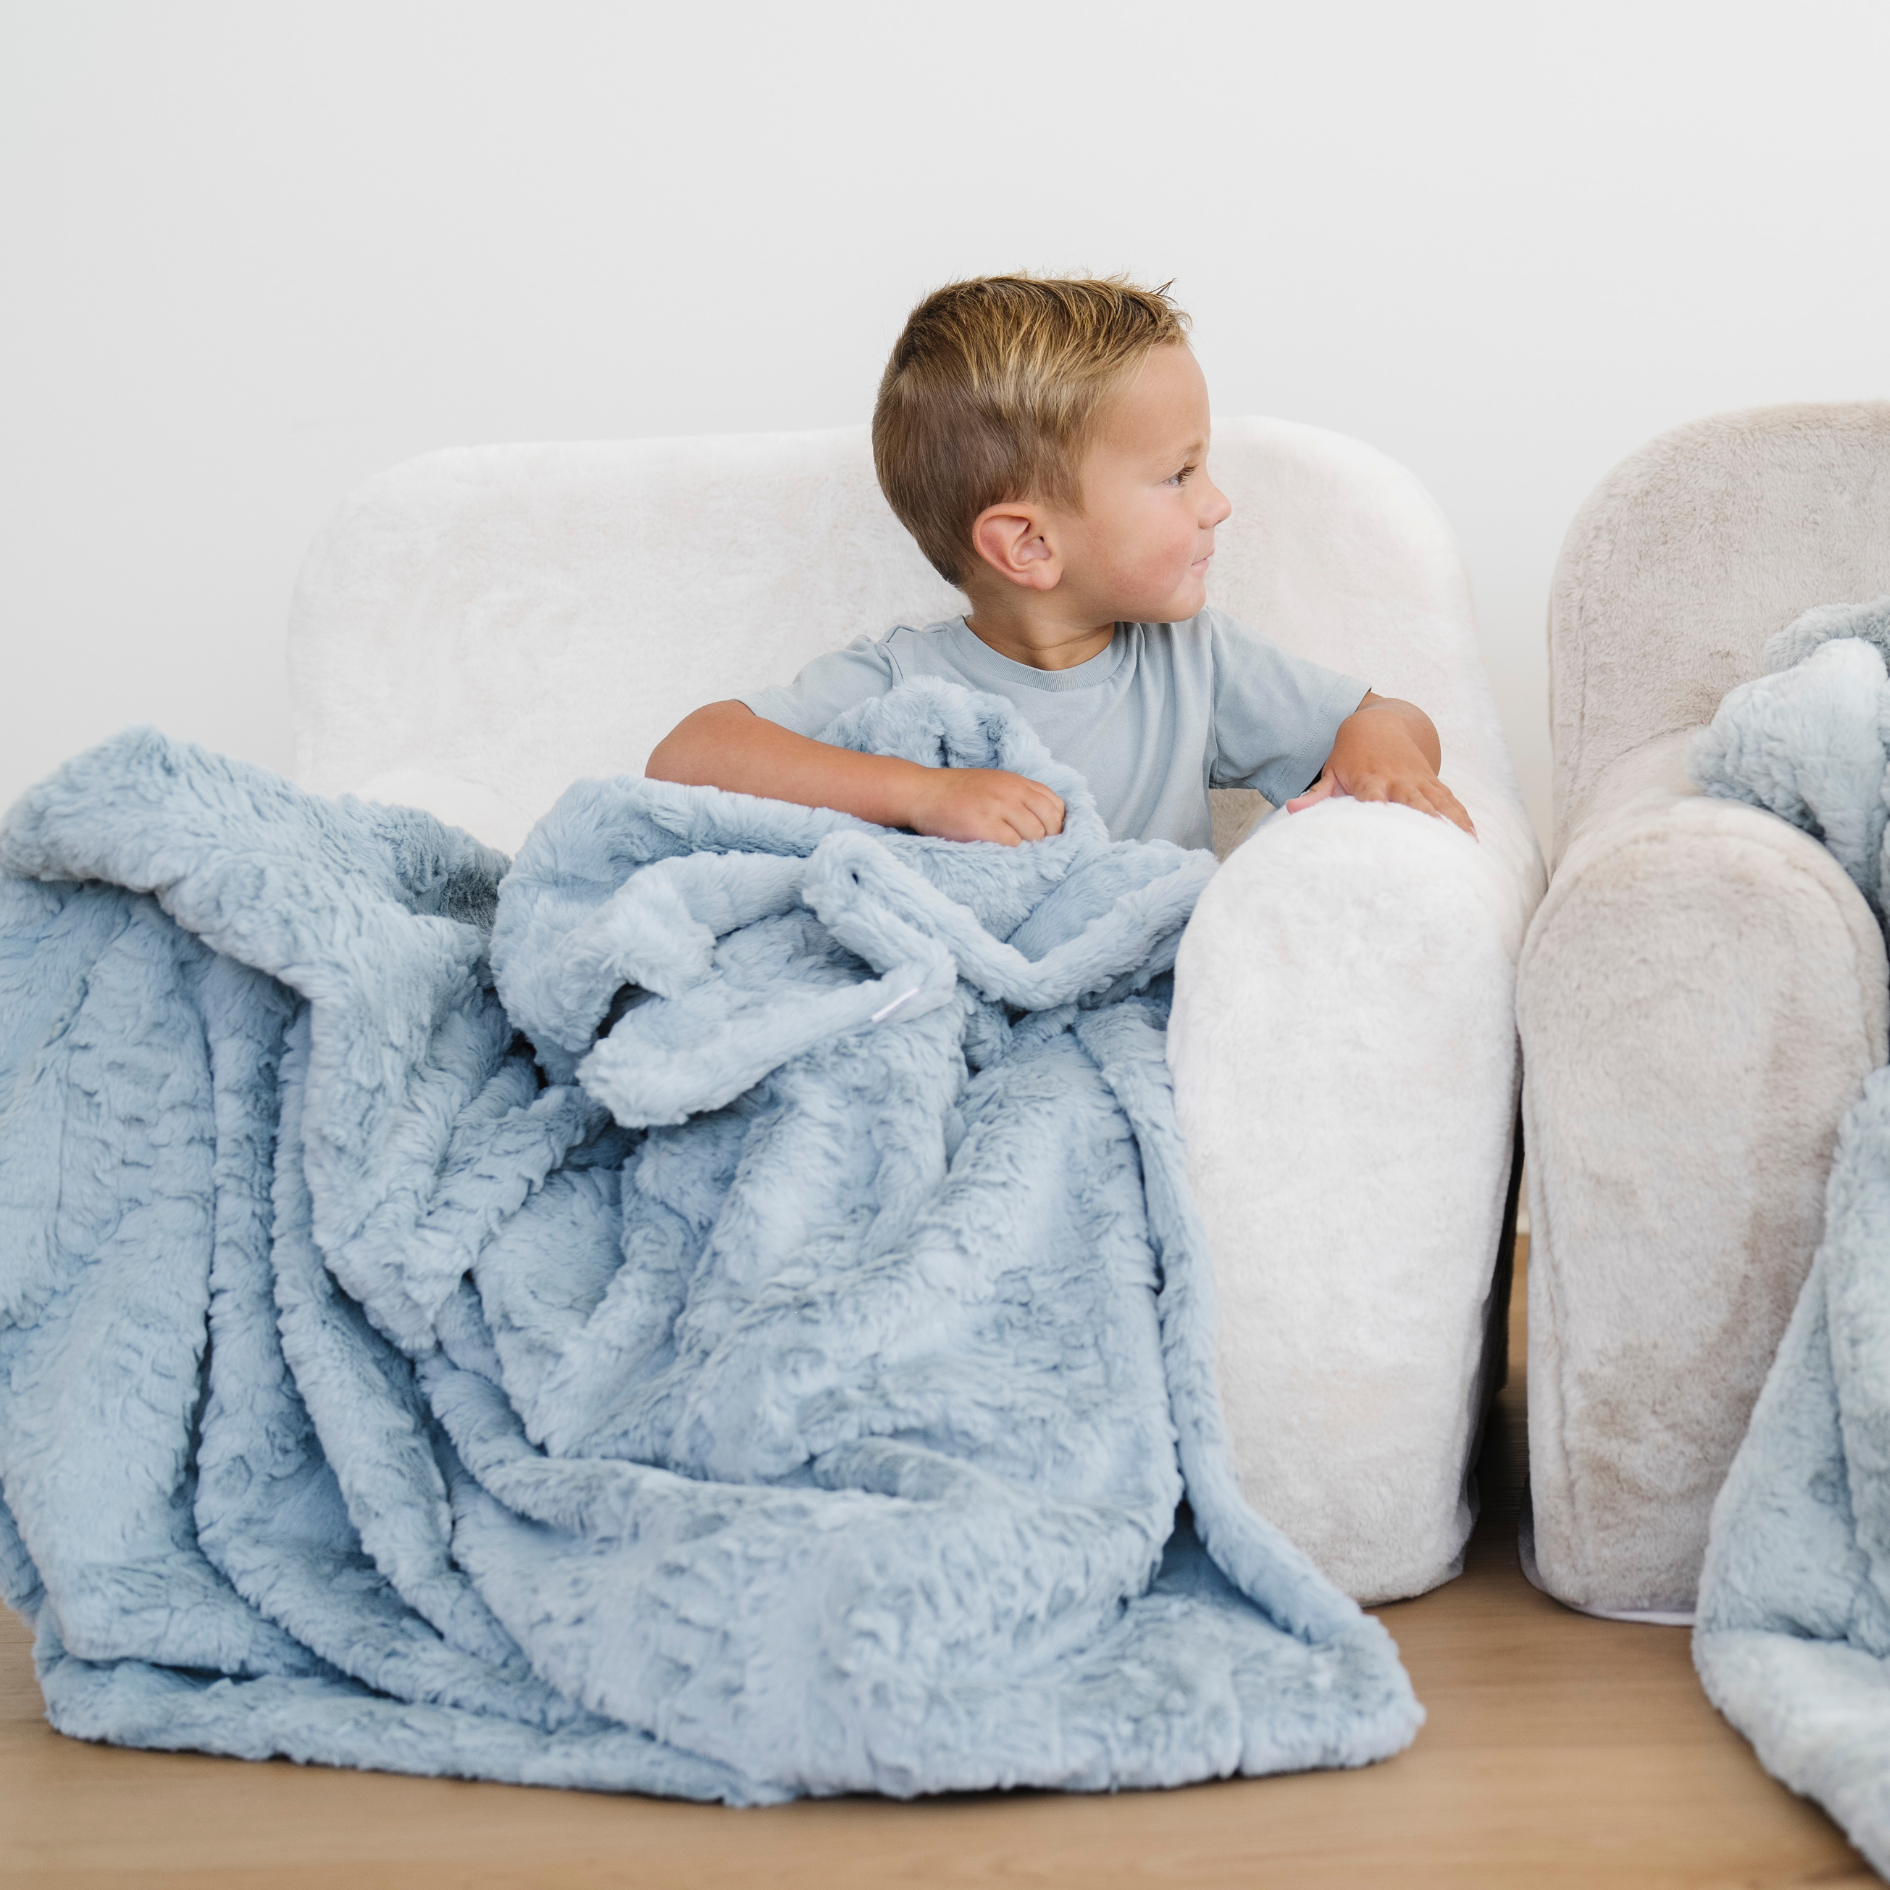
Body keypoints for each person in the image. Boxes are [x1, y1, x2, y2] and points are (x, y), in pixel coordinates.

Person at [645, 274, 1473, 850]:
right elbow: (689, 753)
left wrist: (1381, 746)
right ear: (1030, 546)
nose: (1217, 503)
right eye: (1180, 475)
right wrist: (923, 795)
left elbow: (1387, 714)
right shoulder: (907, 683)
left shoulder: (1199, 664)